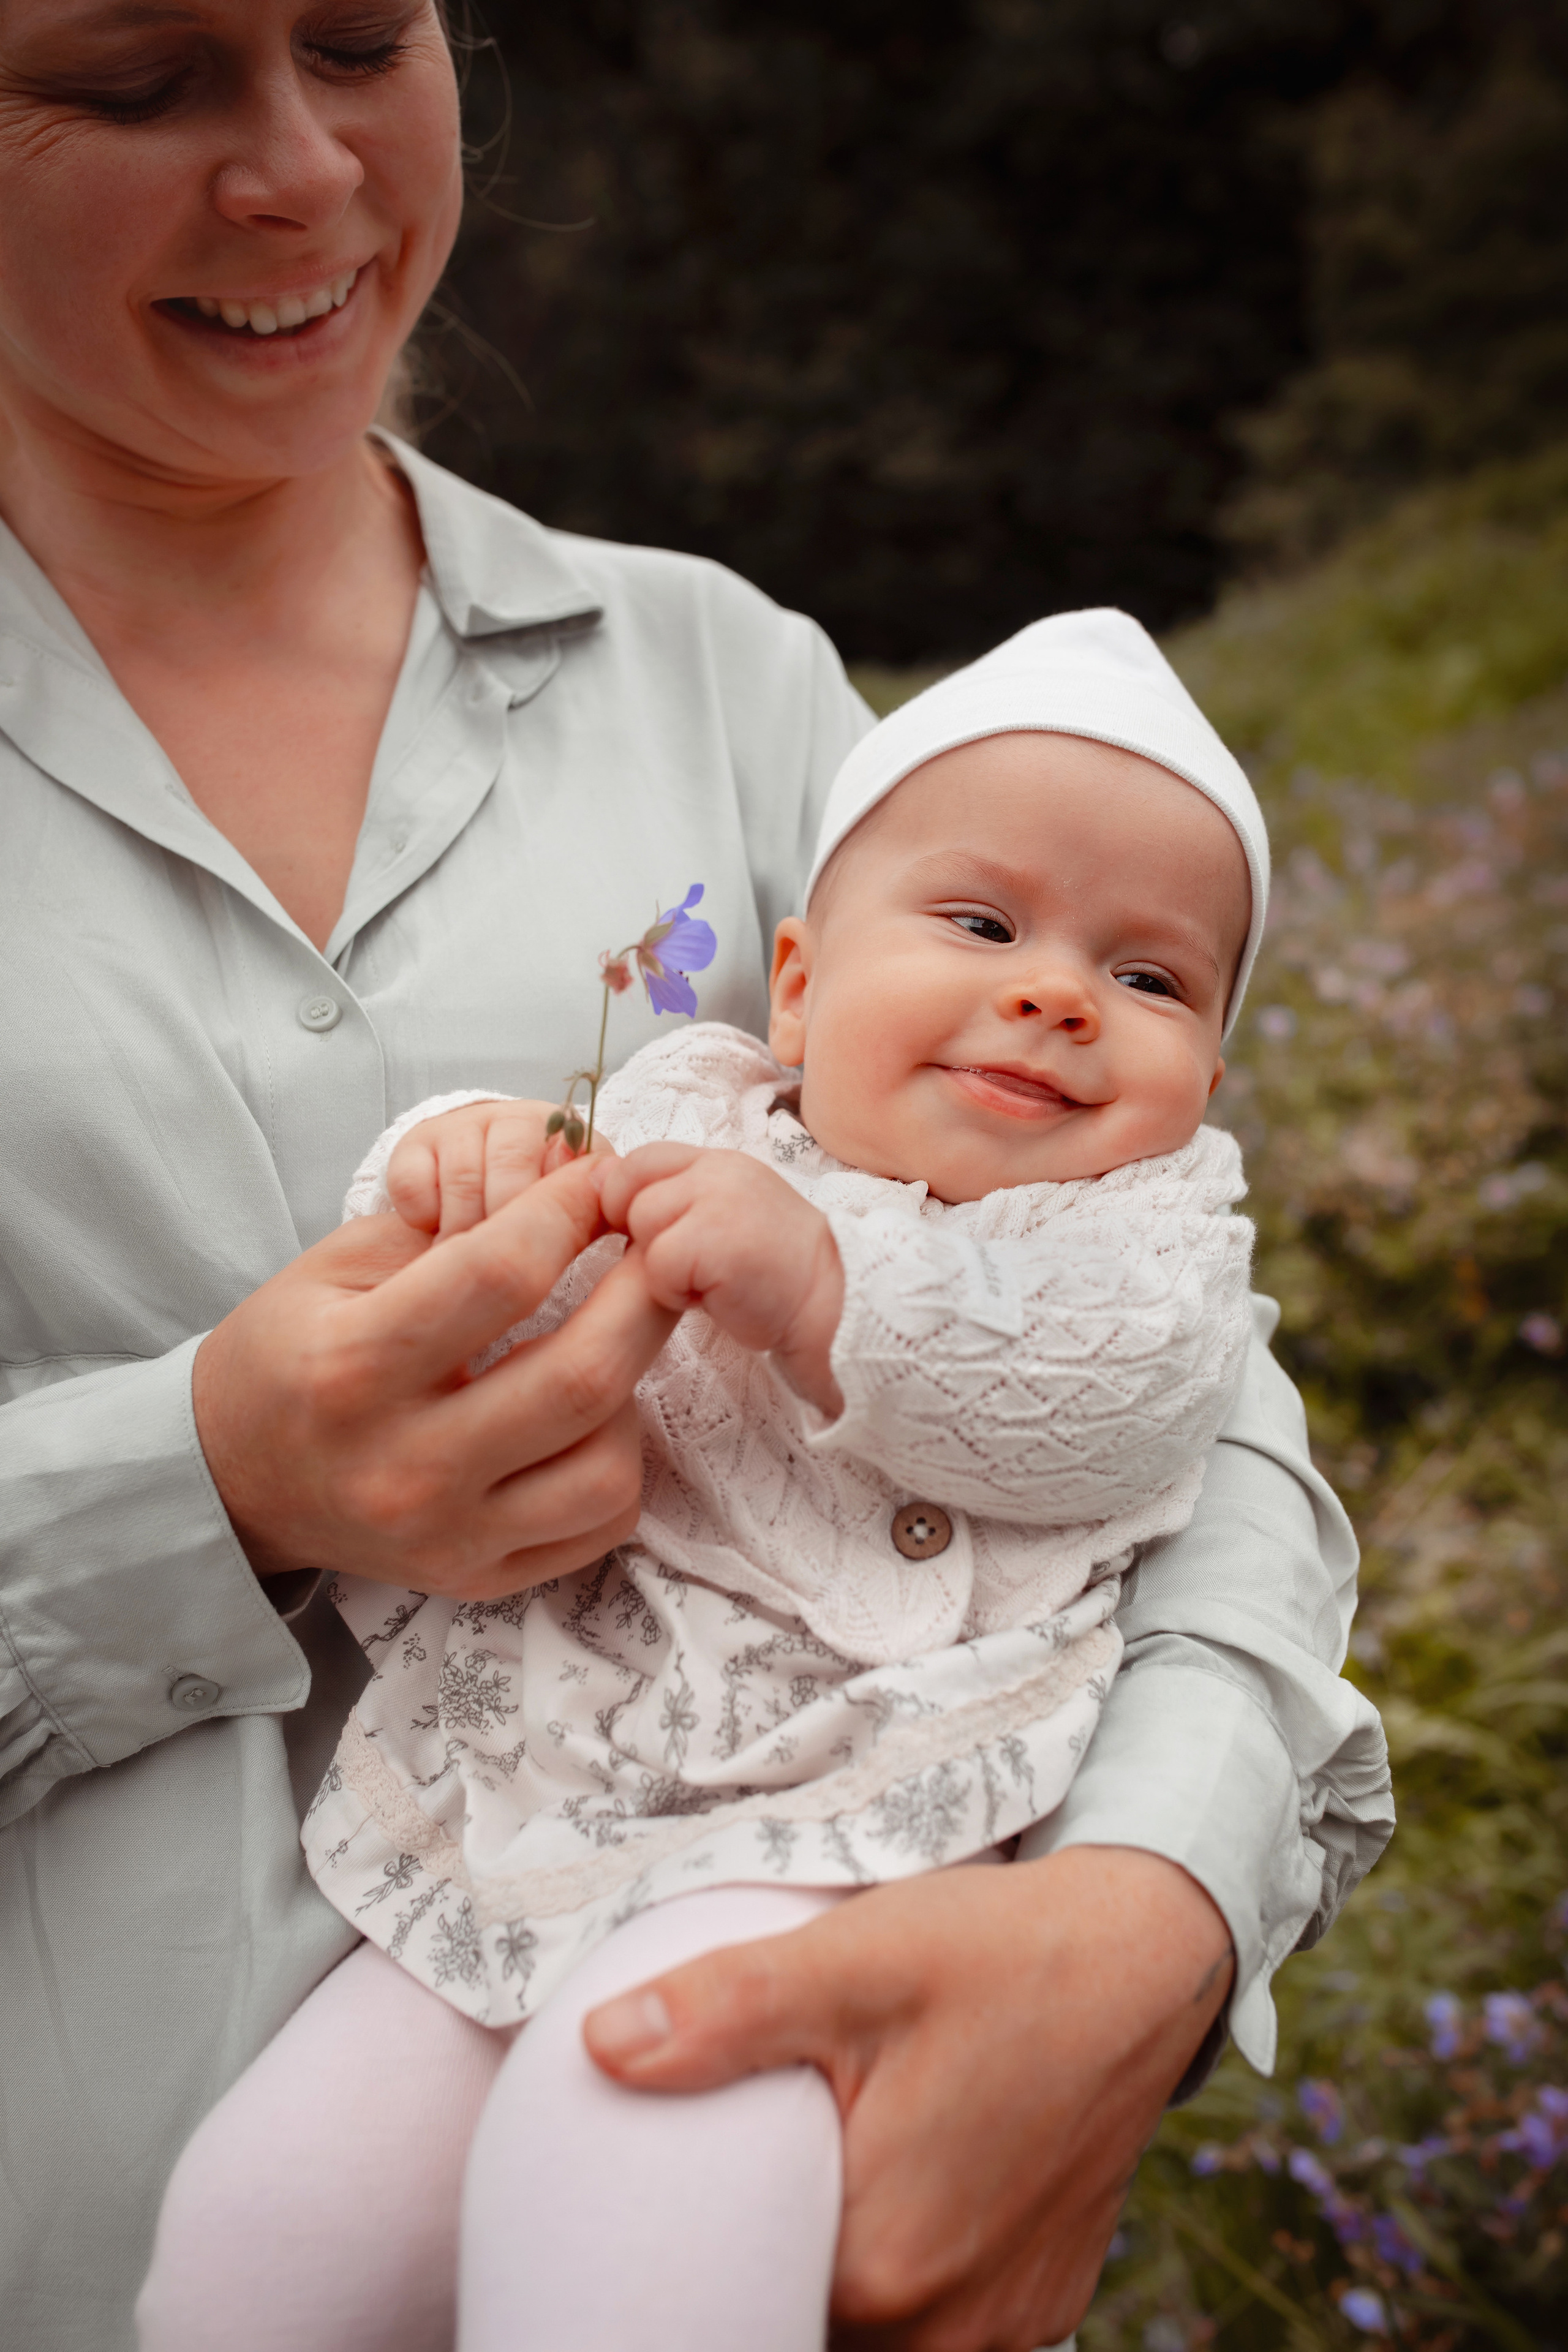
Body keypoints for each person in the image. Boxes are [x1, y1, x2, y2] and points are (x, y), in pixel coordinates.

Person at [0, 5, 1392, 2349]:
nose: (305, 175)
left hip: (756, 2172)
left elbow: (1169, 1370)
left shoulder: (729, 683)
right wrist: (205, 1486)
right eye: (138, 84)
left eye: (360, 38)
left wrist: (1154, 1905)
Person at [138, 609, 1270, 2352]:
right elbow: (522, 1301)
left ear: (1205, 1077)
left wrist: (827, 1291)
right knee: (270, 2228)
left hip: (859, 1799)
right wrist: (458, 1170)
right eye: (984, 926)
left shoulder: (1153, 1239)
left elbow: (1108, 1408)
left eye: (1152, 980)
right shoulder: (700, 1114)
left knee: (641, 2132)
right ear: (799, 986)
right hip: (557, 1787)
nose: (1059, 994)